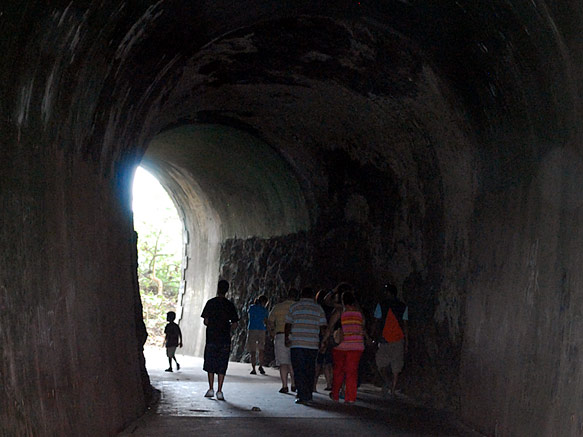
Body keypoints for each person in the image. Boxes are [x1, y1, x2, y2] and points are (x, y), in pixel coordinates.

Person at [285, 286, 327, 404]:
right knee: (310, 369)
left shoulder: (294, 307)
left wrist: (286, 338)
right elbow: (323, 326)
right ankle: (308, 394)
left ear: (301, 295)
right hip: (312, 344)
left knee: (299, 369)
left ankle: (301, 394)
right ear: (312, 296)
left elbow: (288, 324)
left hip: (297, 343)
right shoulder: (318, 308)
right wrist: (324, 341)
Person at [322, 289, 365, 403]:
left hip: (341, 346)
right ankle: (350, 397)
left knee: (338, 371)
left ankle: (335, 395)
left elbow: (330, 328)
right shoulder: (359, 314)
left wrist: (324, 341)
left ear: (342, 300)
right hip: (357, 345)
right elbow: (362, 328)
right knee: (352, 372)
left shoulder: (340, 312)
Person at [201, 279, 240, 401]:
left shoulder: (210, 303)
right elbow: (235, 324)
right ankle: (220, 390)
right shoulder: (229, 305)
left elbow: (206, 321)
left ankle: (211, 388)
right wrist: (227, 328)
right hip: (224, 339)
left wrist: (213, 324)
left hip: (212, 338)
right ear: (227, 290)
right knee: (222, 364)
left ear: (218, 289)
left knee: (210, 363)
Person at [373, 283, 409, 397]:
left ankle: (389, 384)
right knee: (396, 366)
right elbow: (405, 325)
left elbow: (376, 322)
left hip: (385, 339)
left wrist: (373, 336)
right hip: (398, 339)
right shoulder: (403, 306)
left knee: (380, 363)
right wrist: (407, 341)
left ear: (389, 293)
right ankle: (392, 388)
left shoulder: (381, 305)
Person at [267, 288, 297, 393]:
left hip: (280, 336)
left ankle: (285, 386)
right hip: (295, 336)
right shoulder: (297, 307)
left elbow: (269, 322)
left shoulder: (278, 307)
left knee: (283, 363)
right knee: (293, 362)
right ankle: (294, 384)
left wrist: (272, 332)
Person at [314, 289, 333, 392]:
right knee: (327, 362)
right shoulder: (330, 309)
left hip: (319, 336)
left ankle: (314, 385)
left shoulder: (317, 309)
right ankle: (329, 384)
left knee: (319, 362)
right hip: (327, 336)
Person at [246, 294, 269, 375]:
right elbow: (266, 320)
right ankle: (261, 366)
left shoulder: (252, 307)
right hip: (261, 330)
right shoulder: (264, 310)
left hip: (252, 329)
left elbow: (249, 315)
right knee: (261, 349)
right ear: (264, 302)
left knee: (253, 351)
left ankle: (253, 369)